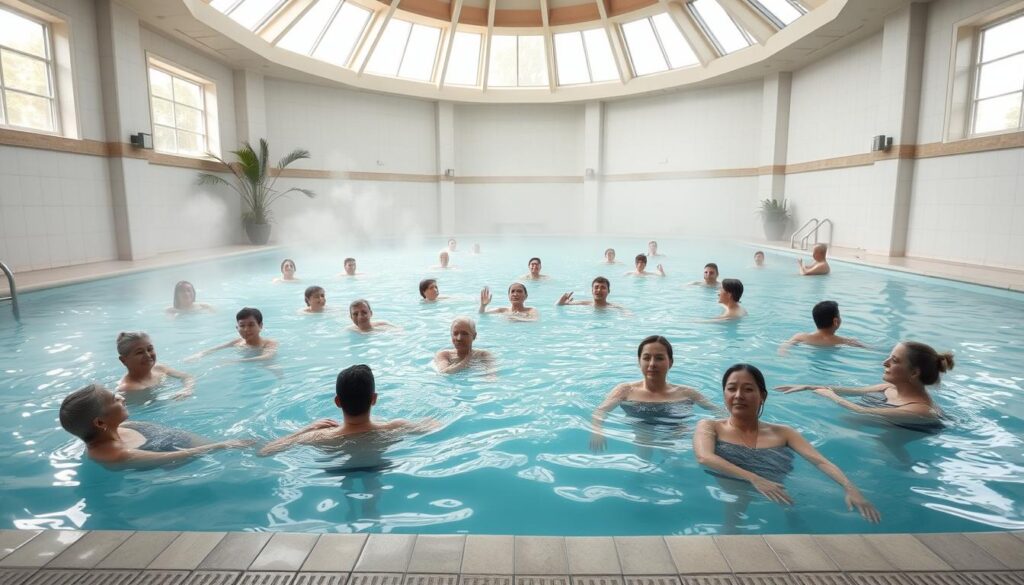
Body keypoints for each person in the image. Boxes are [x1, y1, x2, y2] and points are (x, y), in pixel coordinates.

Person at [694, 364, 880, 524]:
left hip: (777, 489)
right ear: (724, 393)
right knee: (732, 524)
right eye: (731, 388)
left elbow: (820, 461)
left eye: (748, 389)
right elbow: (705, 457)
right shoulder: (710, 426)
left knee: (796, 517)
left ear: (763, 396)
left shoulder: (784, 432)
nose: (738, 395)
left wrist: (851, 488)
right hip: (735, 489)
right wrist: (755, 479)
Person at [259, 364, 437, 457]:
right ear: (374, 399)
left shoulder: (320, 436)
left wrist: (306, 429)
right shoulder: (394, 427)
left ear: (337, 402)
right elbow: (435, 425)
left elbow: (265, 451)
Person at [59, 384, 251, 469]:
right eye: (113, 399)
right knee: (238, 450)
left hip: (165, 441)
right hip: (170, 460)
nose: (121, 397)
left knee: (247, 446)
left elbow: (170, 432)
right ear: (100, 422)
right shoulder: (114, 454)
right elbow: (172, 457)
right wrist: (222, 445)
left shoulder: (124, 426)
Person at [775, 341, 952, 427]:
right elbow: (851, 391)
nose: (885, 362)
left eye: (895, 360)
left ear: (914, 372)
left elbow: (862, 411)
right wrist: (808, 386)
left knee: (847, 421)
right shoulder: (889, 388)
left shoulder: (921, 410)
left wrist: (831, 396)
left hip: (915, 431)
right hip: (895, 425)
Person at [590, 336, 717, 453]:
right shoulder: (625, 390)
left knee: (674, 453)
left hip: (676, 429)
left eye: (659, 358)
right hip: (642, 427)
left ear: (671, 362)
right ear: (639, 361)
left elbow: (717, 411)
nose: (652, 364)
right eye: (646, 358)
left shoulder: (687, 393)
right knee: (643, 451)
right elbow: (600, 411)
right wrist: (597, 430)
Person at [115, 332, 194, 400]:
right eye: (139, 352)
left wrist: (187, 389)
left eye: (150, 349)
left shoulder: (159, 368)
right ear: (123, 360)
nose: (148, 355)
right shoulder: (128, 389)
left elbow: (187, 377)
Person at [187, 307, 278, 362]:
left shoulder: (269, 343)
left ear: (260, 326)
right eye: (242, 326)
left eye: (251, 325)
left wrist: (235, 361)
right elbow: (216, 348)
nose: (246, 329)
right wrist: (200, 354)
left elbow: (266, 357)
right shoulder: (238, 342)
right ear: (237, 328)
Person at [779, 301, 865, 354]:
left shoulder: (801, 337)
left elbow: (783, 347)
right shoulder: (845, 341)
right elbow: (868, 348)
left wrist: (784, 353)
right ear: (836, 321)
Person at [557, 277, 626, 311]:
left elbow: (628, 315)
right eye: (596, 287)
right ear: (592, 290)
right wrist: (560, 302)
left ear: (608, 291)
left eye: (603, 287)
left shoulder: (616, 308)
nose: (599, 290)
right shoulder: (582, 304)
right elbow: (558, 306)